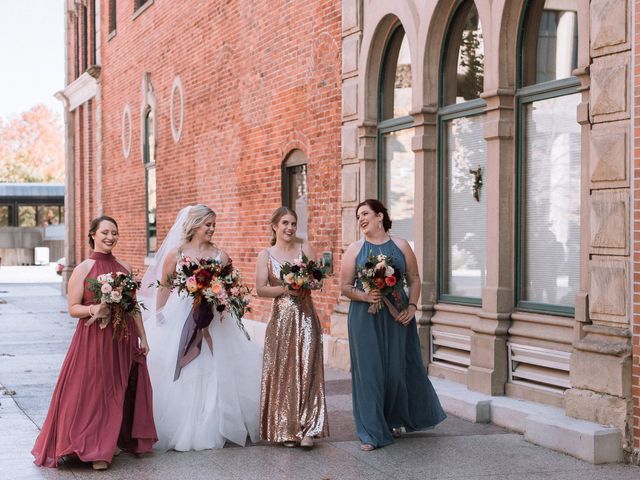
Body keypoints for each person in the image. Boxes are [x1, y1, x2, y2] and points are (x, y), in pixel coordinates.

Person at [32, 216, 157, 470]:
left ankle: (108, 443)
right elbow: (73, 308)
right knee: (94, 391)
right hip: (93, 340)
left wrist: (143, 336)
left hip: (121, 339)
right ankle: (93, 447)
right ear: (93, 235)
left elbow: (133, 308)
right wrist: (94, 309)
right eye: (105, 232)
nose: (110, 237)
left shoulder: (124, 267)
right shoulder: (83, 269)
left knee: (117, 389)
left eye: (114, 232)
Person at [140, 205, 261, 451]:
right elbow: (164, 285)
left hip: (214, 319)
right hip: (182, 315)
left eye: (214, 225)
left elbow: (229, 287)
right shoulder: (177, 253)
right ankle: (185, 423)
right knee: (189, 367)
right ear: (195, 224)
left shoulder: (220, 255)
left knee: (216, 365)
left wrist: (223, 299)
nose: (212, 229)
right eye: (208, 224)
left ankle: (215, 424)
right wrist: (160, 314)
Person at [340, 199, 446, 451]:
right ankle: (370, 432)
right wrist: (365, 295)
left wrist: (412, 308)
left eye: (365, 213)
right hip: (364, 317)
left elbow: (415, 278)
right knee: (369, 374)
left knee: (395, 372)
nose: (361, 219)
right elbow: (344, 287)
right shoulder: (354, 249)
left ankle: (392, 419)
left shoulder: (401, 245)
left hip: (398, 316)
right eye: (357, 216)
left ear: (380, 216)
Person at [255, 207, 329, 449]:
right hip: (281, 320)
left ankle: (310, 429)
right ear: (275, 225)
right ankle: (286, 428)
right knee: (284, 372)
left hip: (307, 317)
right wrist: (286, 288)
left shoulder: (304, 248)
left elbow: (318, 280)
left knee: (308, 369)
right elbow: (261, 289)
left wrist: (309, 281)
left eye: (293, 223)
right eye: (285, 223)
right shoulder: (265, 255)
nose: (289, 228)